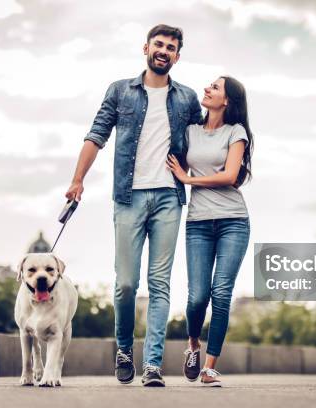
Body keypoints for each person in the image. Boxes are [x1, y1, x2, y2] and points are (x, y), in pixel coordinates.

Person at [65, 24, 202, 387]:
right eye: (159, 44)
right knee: (126, 283)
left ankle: (153, 364)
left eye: (171, 47)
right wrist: (77, 179)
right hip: (128, 197)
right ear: (146, 48)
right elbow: (96, 135)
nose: (164, 50)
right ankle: (124, 349)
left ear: (177, 55)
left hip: (169, 199)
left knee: (160, 283)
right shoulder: (119, 91)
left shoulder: (187, 98)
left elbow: (203, 143)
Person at [166, 76, 253, 387]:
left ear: (226, 100)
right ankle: (192, 346)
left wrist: (187, 180)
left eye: (215, 87)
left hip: (233, 220)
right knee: (197, 296)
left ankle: (210, 367)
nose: (207, 89)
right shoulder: (190, 131)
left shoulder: (236, 132)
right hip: (198, 223)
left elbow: (230, 175)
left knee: (221, 293)